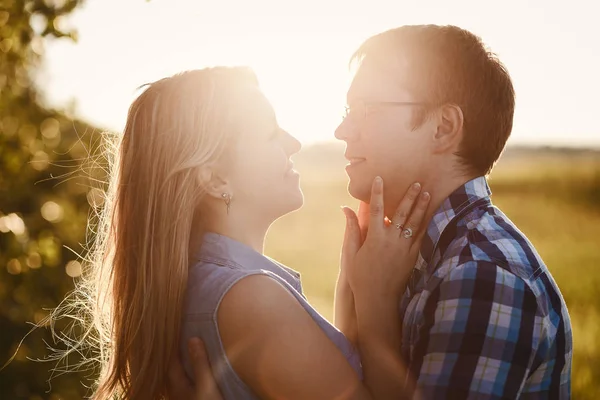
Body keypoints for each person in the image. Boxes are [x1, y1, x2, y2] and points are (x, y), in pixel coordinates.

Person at [171, 24, 573, 399]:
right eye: (348, 112)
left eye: (367, 109)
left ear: (443, 128)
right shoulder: (406, 258)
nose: (342, 131)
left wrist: (373, 309)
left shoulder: (482, 274)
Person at [74, 66, 431, 399]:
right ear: (216, 179)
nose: (293, 143)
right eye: (270, 133)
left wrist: (350, 295)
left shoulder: (203, 286)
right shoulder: (251, 299)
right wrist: (377, 302)